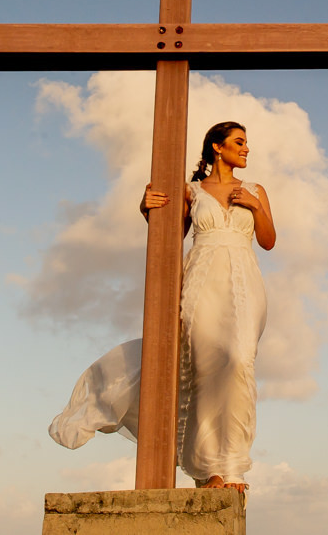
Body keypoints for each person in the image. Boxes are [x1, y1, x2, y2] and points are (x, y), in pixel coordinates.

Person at [49, 122, 276, 494]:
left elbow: (268, 241)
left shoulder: (255, 190)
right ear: (217, 148)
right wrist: (146, 210)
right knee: (202, 370)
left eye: (247, 143)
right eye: (239, 142)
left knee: (237, 363)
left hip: (245, 284)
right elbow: (173, 233)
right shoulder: (192, 191)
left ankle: (234, 465)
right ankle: (210, 471)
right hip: (202, 281)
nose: (247, 149)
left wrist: (254, 207)